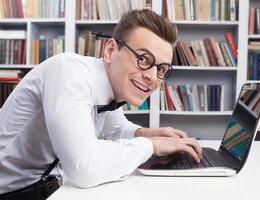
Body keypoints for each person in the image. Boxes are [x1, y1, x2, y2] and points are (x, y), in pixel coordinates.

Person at [0, 9, 202, 199]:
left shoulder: (110, 86)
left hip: (51, 189)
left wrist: (147, 134)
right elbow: (84, 168)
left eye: (161, 69)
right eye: (143, 58)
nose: (151, 77)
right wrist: (152, 146)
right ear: (111, 49)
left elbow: (116, 129)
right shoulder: (70, 73)